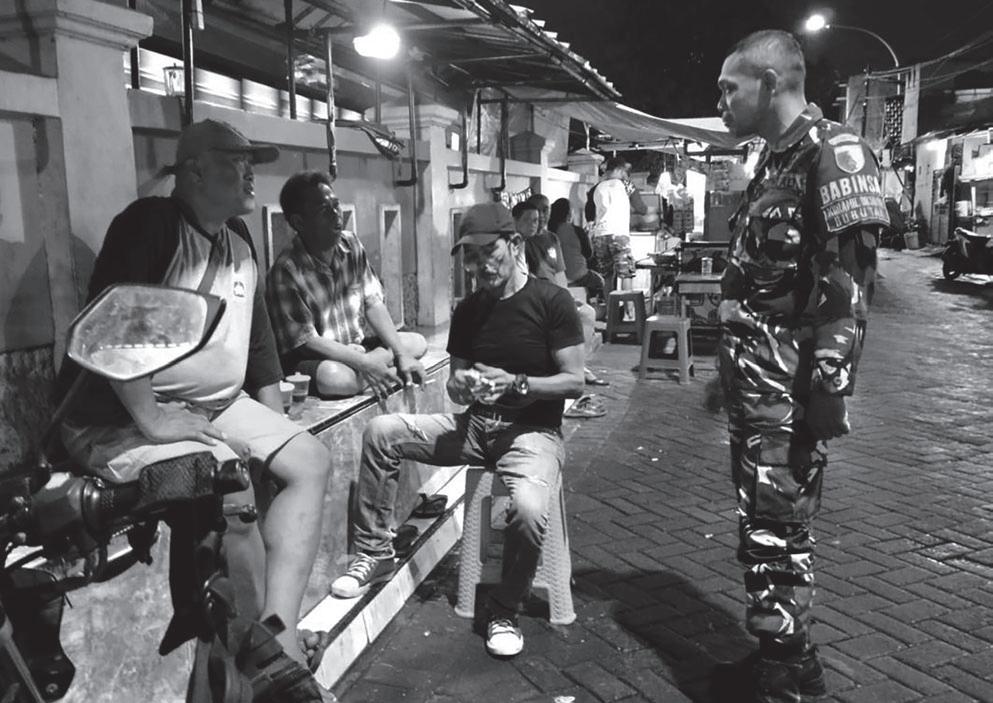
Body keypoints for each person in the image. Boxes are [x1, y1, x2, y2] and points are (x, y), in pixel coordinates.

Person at [57, 120, 336, 701]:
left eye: (251, 161)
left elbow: (258, 347)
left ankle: (278, 641)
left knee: (308, 460)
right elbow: (117, 330)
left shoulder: (239, 237)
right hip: (124, 413)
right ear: (195, 170)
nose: (250, 172)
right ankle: (258, 659)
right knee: (228, 478)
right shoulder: (151, 224)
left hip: (215, 404)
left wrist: (276, 427)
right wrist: (154, 421)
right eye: (236, 160)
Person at [711, 30, 888, 702]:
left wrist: (829, 389)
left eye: (729, 88)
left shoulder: (833, 153)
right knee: (763, 525)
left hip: (788, 391)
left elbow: (848, 285)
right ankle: (785, 654)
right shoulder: (772, 161)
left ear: (769, 83)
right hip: (756, 385)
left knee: (779, 529)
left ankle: (785, 676)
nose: (720, 101)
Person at [328, 202, 585, 659]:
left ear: (515, 245)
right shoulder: (469, 310)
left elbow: (574, 381)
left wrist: (519, 384)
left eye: (490, 253)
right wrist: (461, 386)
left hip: (532, 434)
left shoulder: (552, 302)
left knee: (528, 509)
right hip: (475, 427)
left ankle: (505, 608)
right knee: (382, 431)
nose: (481, 265)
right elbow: (455, 385)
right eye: (471, 257)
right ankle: (376, 552)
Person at [266, 170, 427, 400]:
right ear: (299, 222)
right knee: (336, 379)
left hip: (357, 348)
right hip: (319, 360)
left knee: (416, 343)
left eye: (336, 205)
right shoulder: (286, 271)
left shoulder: (351, 245)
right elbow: (306, 341)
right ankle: (381, 371)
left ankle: (375, 370)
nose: (336, 215)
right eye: (324, 210)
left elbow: (373, 303)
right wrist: (364, 362)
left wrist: (399, 354)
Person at [515, 201, 607, 390]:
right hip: (536, 298)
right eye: (530, 219)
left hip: (552, 294)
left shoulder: (552, 238)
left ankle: (578, 366)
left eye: (542, 214)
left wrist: (565, 297)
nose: (537, 221)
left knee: (587, 313)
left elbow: (560, 273)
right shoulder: (519, 244)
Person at [588, 157, 638, 294]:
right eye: (624, 171)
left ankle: (610, 307)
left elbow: (589, 212)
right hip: (619, 234)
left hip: (600, 235)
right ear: (619, 170)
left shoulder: (597, 187)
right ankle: (629, 307)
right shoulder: (626, 185)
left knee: (606, 275)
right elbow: (640, 206)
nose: (625, 174)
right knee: (626, 273)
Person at [547, 197, 604, 301]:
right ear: (569, 214)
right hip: (578, 275)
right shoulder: (576, 230)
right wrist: (589, 237)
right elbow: (588, 254)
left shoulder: (549, 231)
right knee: (600, 281)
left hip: (556, 277)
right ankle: (595, 302)